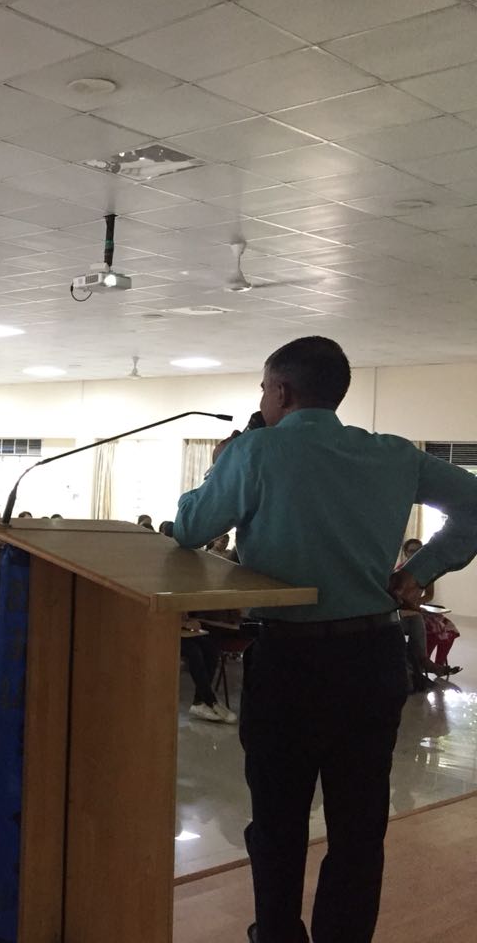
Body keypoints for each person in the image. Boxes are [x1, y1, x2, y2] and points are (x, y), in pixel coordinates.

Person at [172, 335, 477, 943]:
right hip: (374, 658)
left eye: (263, 387)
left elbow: (189, 527)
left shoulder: (255, 451)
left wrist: (225, 460)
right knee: (360, 827)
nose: (261, 397)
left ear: (281, 391)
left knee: (279, 821)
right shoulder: (393, 455)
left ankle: (279, 934)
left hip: (291, 660)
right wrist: (418, 572)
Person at [398, 538, 461, 686]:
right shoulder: (399, 572)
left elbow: (429, 594)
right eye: (411, 551)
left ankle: (425, 665)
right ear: (405, 553)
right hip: (398, 614)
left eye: (419, 551)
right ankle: (422, 667)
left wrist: (416, 603)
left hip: (414, 613)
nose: (415, 554)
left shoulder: (427, 572)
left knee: (441, 627)